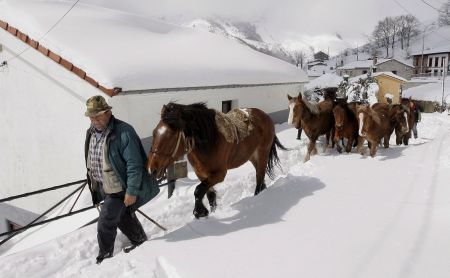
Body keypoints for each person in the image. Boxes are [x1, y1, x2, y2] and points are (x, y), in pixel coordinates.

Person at [84, 95, 160, 264]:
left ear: (108, 112)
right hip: (102, 185)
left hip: (118, 187)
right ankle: (140, 239)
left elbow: (134, 164)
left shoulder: (124, 132)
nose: (94, 120)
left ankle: (105, 257)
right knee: (123, 215)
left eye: (98, 115)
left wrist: (131, 191)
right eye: (91, 116)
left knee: (105, 222)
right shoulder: (91, 132)